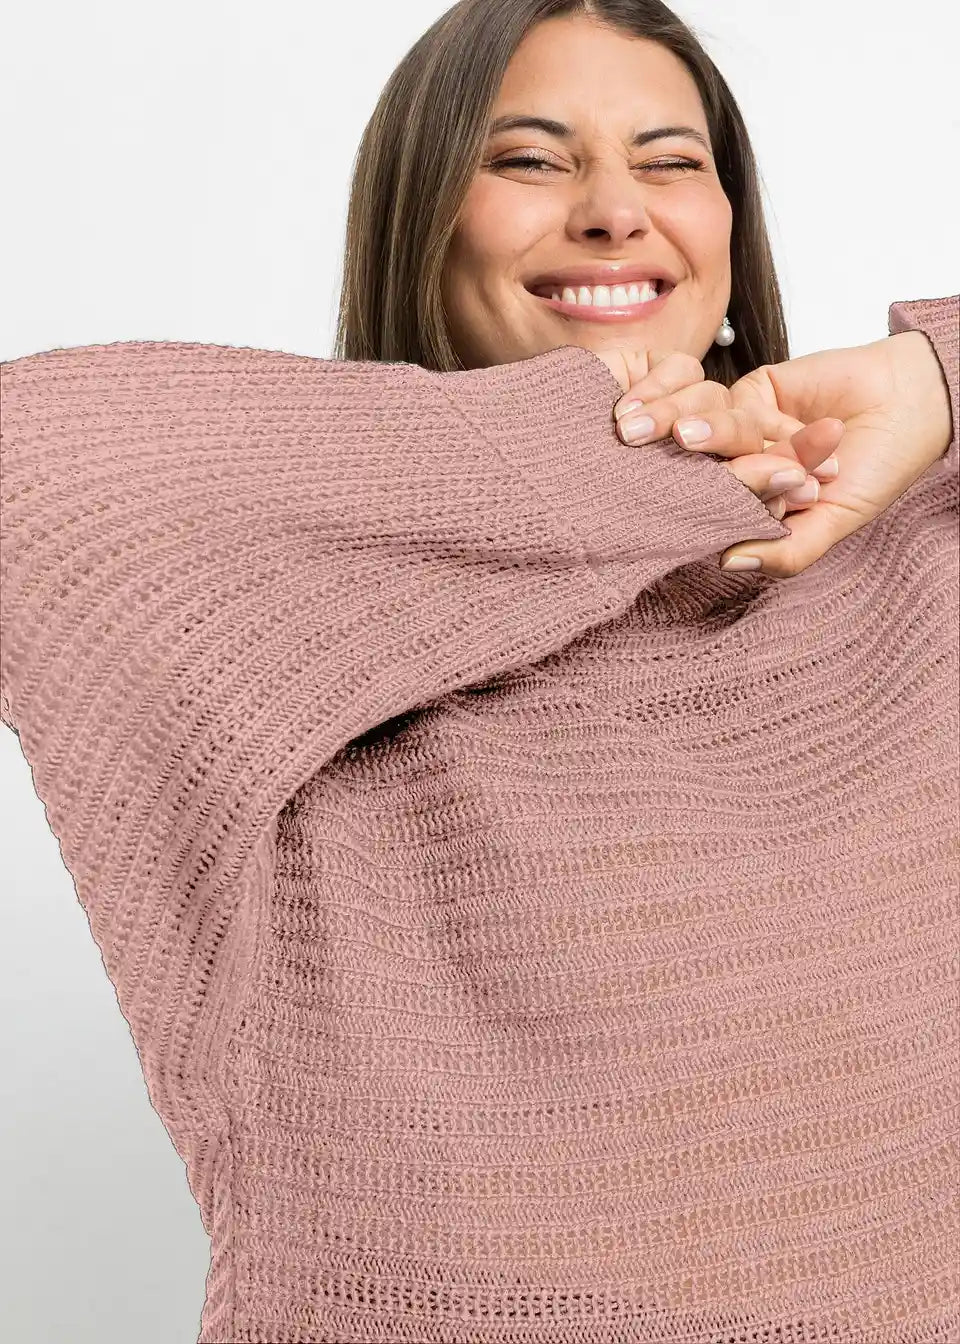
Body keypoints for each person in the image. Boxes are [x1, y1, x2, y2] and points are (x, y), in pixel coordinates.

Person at [1, 2, 956, 1342]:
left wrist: (930, 375)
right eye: (529, 160)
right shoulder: (268, 628)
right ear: (421, 219)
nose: (614, 211)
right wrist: (638, 447)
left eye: (672, 162)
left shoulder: (912, 556)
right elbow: (26, 465)